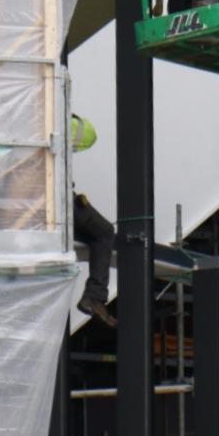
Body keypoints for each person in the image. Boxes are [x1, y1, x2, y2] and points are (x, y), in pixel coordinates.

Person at [69, 113, 118, 327]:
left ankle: (94, 296)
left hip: (34, 205)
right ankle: (94, 296)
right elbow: (88, 135)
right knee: (104, 232)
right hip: (56, 199)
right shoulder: (56, 120)